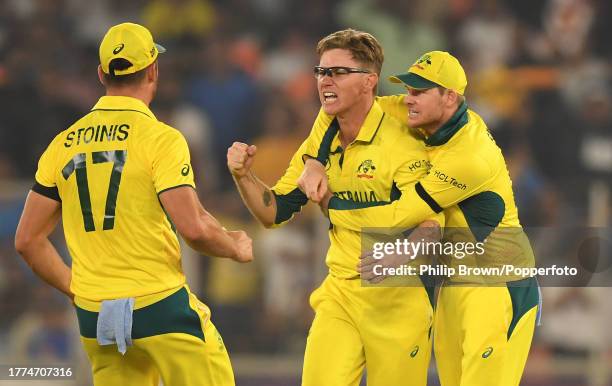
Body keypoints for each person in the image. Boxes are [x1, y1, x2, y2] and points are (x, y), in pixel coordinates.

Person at [14, 22, 252, 386]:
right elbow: (194, 228)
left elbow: (27, 240)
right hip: (159, 308)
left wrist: (80, 289)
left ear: (101, 74)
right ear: (153, 70)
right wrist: (235, 247)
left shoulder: (62, 144)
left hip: (97, 320)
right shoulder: (160, 138)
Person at [301, 50, 541, 386]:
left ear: (450, 97)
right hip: (453, 282)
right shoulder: (424, 116)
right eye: (409, 90)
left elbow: (401, 214)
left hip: (497, 283)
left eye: (420, 92)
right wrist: (313, 159)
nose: (408, 100)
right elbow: (340, 108)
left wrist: (331, 205)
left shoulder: (468, 158)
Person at [227, 29, 441, 386]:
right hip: (340, 293)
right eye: (321, 71)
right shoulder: (322, 134)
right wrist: (243, 176)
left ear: (369, 81)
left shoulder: (403, 139)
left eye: (339, 72)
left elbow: (432, 227)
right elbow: (273, 212)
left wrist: (399, 253)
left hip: (397, 300)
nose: (325, 80)